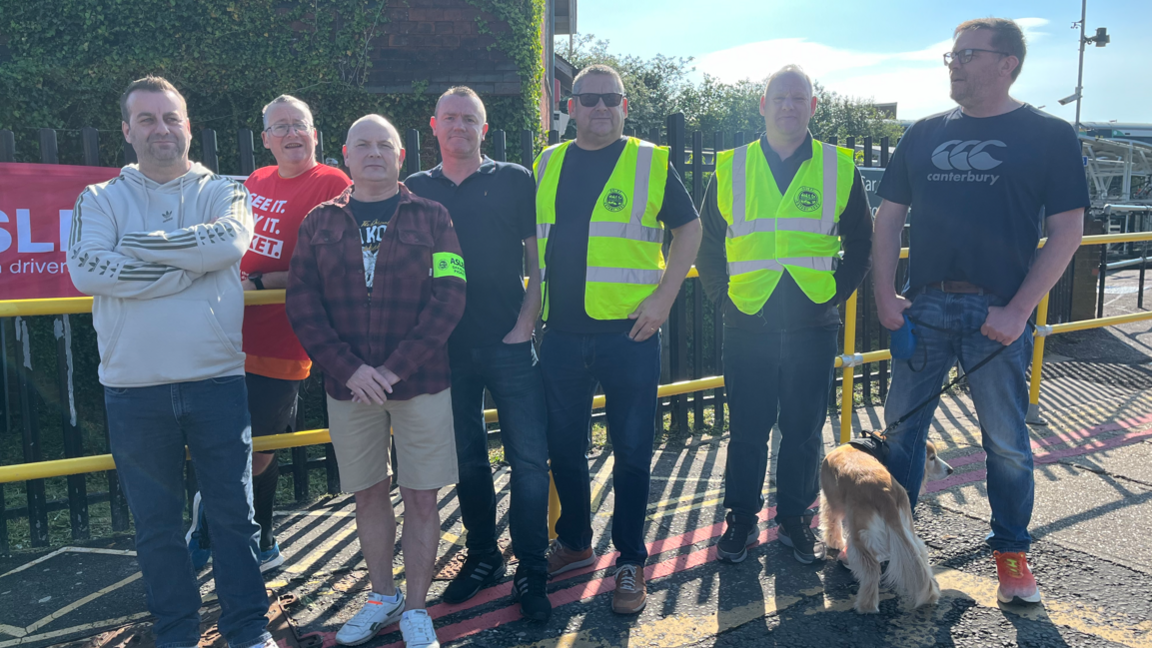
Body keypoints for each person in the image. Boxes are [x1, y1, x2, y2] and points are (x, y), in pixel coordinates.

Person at [873, 18, 1088, 605]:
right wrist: (885, 293)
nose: (955, 65)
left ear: (1007, 63)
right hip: (924, 307)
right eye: (951, 56)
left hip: (998, 312)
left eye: (967, 55)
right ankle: (896, 547)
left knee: (1006, 441)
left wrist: (1021, 310)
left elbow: (1068, 229)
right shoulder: (923, 133)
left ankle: (1012, 556)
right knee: (900, 434)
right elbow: (888, 217)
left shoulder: (1048, 135)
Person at [67, 76, 273, 648]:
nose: (162, 129)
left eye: (171, 117)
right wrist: (185, 263)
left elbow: (228, 243)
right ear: (128, 131)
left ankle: (247, 630)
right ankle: (176, 633)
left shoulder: (224, 190)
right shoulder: (99, 199)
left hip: (216, 381)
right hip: (135, 389)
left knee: (234, 518)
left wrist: (135, 245)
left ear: (187, 123)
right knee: (156, 527)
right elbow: (86, 268)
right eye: (148, 119)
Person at [286, 114, 465, 648]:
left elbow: (451, 296)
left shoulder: (435, 216)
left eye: (383, 144)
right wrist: (349, 369)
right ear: (344, 154)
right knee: (367, 495)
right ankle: (381, 596)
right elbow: (302, 302)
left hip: (421, 381)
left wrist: (392, 368)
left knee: (423, 498)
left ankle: (415, 608)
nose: (373, 153)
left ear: (400, 155)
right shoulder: (319, 221)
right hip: (349, 387)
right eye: (362, 144)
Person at [535, 64, 702, 615]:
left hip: (629, 333)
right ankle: (577, 540)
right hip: (560, 332)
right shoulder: (548, 162)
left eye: (610, 98)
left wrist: (664, 298)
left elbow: (690, 228)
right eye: (589, 98)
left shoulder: (651, 160)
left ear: (624, 105)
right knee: (562, 445)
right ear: (572, 105)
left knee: (631, 452)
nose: (600, 108)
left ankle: (630, 559)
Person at [695, 65, 873, 566]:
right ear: (763, 105)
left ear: (813, 106)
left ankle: (795, 520)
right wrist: (721, 298)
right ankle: (741, 521)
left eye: (799, 98)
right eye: (780, 97)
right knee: (747, 430)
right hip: (747, 320)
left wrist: (835, 293)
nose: (789, 106)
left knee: (802, 429)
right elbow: (707, 244)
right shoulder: (731, 166)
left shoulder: (839, 166)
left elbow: (862, 240)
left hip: (812, 323)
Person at [186, 94, 351, 572]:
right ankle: (255, 539)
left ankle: (223, 531)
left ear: (315, 133)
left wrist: (257, 282)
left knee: (260, 447)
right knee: (218, 438)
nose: (291, 134)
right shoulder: (256, 181)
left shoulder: (332, 184)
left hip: (281, 340)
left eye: (299, 124)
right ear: (266, 139)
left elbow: (323, 266)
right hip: (226, 334)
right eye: (280, 127)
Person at [405, 87, 551, 621]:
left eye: (470, 118)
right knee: (467, 460)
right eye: (450, 118)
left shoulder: (514, 179)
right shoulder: (414, 188)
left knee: (530, 460)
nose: (459, 126)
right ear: (434, 126)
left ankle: (532, 567)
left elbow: (538, 263)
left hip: (508, 341)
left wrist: (525, 324)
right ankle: (485, 555)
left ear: (484, 129)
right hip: (444, 347)